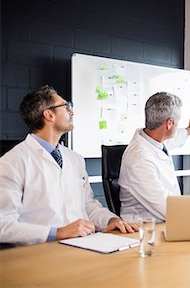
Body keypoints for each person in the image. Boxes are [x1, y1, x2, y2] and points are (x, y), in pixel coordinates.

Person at [0, 85, 138, 246]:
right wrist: (57, 233)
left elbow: (89, 205)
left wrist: (110, 220)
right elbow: (3, 225)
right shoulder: (12, 162)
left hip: (85, 245)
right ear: (49, 114)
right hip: (41, 253)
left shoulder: (75, 159)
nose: (71, 112)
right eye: (66, 107)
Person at [118, 92, 190, 222]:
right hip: (145, 229)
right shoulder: (139, 159)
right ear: (169, 123)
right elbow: (166, 207)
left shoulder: (155, 140)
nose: (177, 126)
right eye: (177, 123)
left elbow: (174, 138)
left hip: (166, 221)